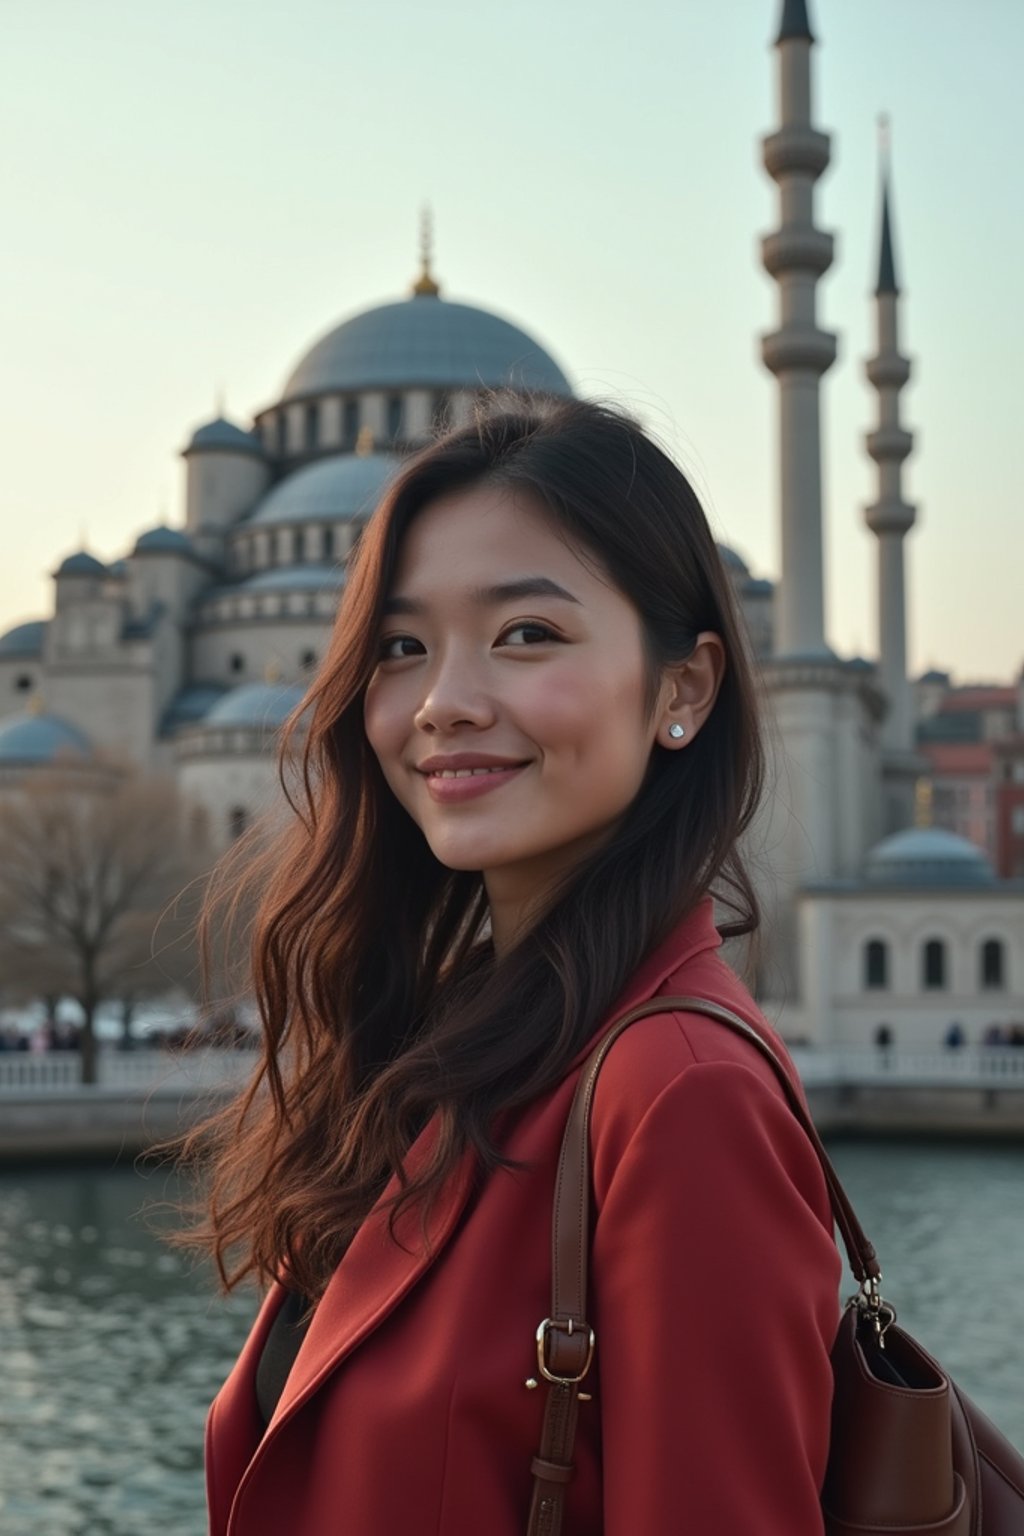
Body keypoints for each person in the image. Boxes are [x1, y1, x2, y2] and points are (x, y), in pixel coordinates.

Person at [188, 399, 841, 1535]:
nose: (444, 703)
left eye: (526, 634)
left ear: (682, 689)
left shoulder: (680, 1094)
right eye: (402, 648)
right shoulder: (462, 1041)